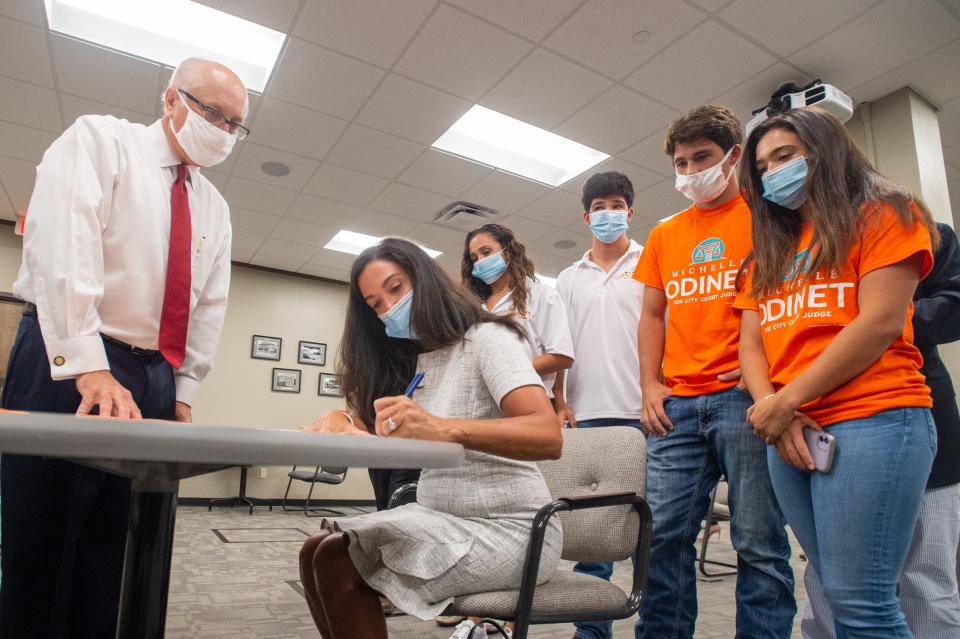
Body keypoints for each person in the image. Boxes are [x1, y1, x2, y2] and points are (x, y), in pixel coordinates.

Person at [0, 57, 246, 638]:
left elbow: (208, 306)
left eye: (235, 124)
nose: (223, 130)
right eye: (213, 112)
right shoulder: (99, 142)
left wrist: (184, 392)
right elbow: (64, 246)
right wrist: (88, 366)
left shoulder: (215, 206)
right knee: (44, 536)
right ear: (170, 99)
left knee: (117, 539)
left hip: (154, 373)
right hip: (70, 356)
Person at [734, 107, 940, 638]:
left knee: (863, 603)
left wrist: (785, 403)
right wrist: (773, 410)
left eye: (784, 155)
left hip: (874, 418)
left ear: (824, 152)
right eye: (762, 166)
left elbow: (879, 323)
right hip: (789, 432)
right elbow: (752, 347)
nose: (772, 171)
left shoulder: (885, 216)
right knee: (833, 594)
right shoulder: (766, 256)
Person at [298, 238, 563, 639]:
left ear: (424, 280)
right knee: (314, 549)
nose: (388, 309)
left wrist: (445, 429)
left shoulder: (487, 339)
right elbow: (402, 439)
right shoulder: (418, 360)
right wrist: (348, 424)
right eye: (375, 305)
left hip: (514, 528)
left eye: (396, 288)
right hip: (440, 515)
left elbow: (547, 434)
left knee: (337, 557)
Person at [633, 105, 796, 639]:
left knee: (758, 541)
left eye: (700, 158)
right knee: (662, 538)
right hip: (676, 404)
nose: (689, 171)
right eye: (680, 163)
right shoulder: (665, 234)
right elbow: (653, 315)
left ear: (733, 156)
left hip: (745, 398)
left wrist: (766, 385)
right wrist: (650, 384)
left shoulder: (769, 215)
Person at [800, 221, 960, 638]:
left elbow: (954, 305)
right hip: (825, 423)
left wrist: (876, 318)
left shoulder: (919, 231)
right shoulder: (800, 251)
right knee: (828, 575)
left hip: (918, 416)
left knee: (924, 575)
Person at [449, 223, 574, 638]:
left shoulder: (540, 293)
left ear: (508, 249)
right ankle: (476, 612)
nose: (481, 261)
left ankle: (499, 617)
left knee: (512, 513)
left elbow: (561, 355)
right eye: (474, 256)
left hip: (523, 412)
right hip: (484, 415)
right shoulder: (478, 305)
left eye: (487, 251)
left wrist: (506, 375)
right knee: (479, 513)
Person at [552, 171, 644, 639]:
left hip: (644, 414)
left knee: (657, 534)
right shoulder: (568, 278)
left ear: (630, 210)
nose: (608, 213)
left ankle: (658, 626)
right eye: (599, 206)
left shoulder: (651, 264)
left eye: (617, 204)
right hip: (585, 415)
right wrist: (560, 400)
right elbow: (560, 346)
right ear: (586, 216)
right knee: (593, 540)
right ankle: (591, 634)